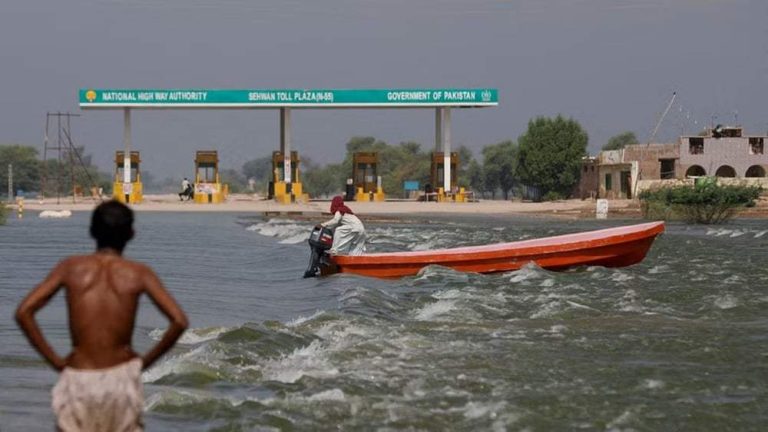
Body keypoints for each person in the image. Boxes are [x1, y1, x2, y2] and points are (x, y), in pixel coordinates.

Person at [15, 200, 188, 431]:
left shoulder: (71, 268)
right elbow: (179, 321)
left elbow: (24, 311)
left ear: (91, 232)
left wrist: (55, 361)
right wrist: (143, 363)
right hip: (121, 375)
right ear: (131, 234)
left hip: (79, 374)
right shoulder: (138, 273)